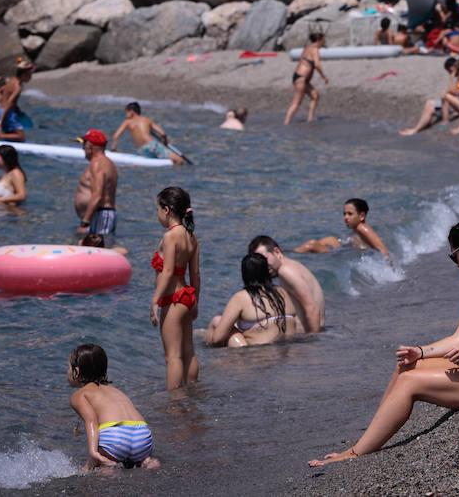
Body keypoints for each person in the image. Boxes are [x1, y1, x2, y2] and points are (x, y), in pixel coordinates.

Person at [307, 217, 459, 466]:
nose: (457, 264)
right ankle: (368, 438)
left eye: (455, 256)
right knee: (405, 367)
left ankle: (356, 453)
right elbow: (458, 338)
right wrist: (418, 352)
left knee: (409, 383)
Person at [67, 343, 160, 470]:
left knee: (99, 466)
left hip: (116, 437)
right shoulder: (115, 390)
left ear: (76, 372)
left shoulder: (79, 395)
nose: (67, 372)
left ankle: (106, 469)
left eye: (68, 368)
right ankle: (147, 461)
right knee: (138, 459)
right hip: (142, 435)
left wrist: (93, 454)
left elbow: (91, 421)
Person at [151, 185, 200, 390]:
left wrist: (155, 300)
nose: (158, 215)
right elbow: (195, 274)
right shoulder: (191, 237)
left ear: (167, 210)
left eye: (157, 210)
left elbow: (168, 271)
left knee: (172, 357)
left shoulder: (170, 236)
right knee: (189, 353)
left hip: (173, 299)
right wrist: (196, 301)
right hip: (187, 296)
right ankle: (193, 393)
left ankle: (175, 403)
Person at [204, 252, 304, 347]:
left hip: (254, 356)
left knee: (217, 321)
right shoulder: (282, 293)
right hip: (286, 353)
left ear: (244, 274)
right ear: (266, 272)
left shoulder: (242, 297)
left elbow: (217, 339)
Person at [248, 235, 325, 333]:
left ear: (277, 252)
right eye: (259, 262)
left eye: (265, 258)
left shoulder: (286, 272)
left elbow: (312, 308)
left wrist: (313, 341)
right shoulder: (292, 267)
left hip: (305, 341)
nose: (263, 265)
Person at [294, 198, 390, 257]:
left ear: (362, 216)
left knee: (312, 244)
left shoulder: (362, 228)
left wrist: (391, 271)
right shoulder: (357, 229)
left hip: (347, 256)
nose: (346, 217)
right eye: (344, 214)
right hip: (347, 252)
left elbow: (384, 251)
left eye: (350, 214)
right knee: (330, 239)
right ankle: (295, 252)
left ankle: (291, 254)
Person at [74, 129, 119, 245]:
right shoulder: (108, 163)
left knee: (98, 249)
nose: (83, 148)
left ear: (90, 146)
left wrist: (85, 223)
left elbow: (97, 195)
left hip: (100, 215)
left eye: (84, 144)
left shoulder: (97, 164)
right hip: (101, 214)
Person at [399, 57, 459, 135]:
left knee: (430, 104)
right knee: (429, 102)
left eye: (449, 71)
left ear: (452, 68)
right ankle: (423, 124)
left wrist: (451, 78)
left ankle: (416, 130)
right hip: (455, 103)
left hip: (456, 105)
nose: (449, 73)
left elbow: (456, 92)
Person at [111, 102, 185, 165]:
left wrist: (113, 150)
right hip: (152, 146)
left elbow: (115, 136)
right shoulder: (147, 120)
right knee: (180, 160)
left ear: (132, 111)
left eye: (126, 112)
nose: (125, 115)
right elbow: (163, 133)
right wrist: (165, 142)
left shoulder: (127, 122)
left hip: (141, 150)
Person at [0, 59, 34, 141]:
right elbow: (9, 102)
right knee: (21, 137)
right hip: (7, 113)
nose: (31, 77)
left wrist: (17, 110)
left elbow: (7, 97)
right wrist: (1, 121)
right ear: (24, 75)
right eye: (30, 75)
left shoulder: (10, 81)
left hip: (0, 111)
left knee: (10, 135)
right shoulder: (18, 87)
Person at [285, 32, 328, 124]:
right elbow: (317, 64)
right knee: (296, 103)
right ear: (319, 40)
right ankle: (286, 123)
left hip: (302, 79)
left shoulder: (308, 47)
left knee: (315, 96)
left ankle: (310, 119)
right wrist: (324, 77)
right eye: (323, 40)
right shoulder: (315, 49)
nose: (324, 43)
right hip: (301, 79)